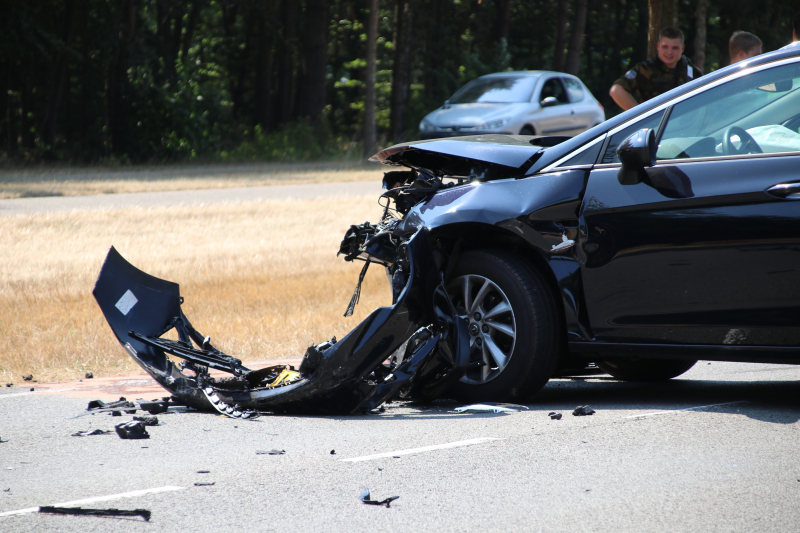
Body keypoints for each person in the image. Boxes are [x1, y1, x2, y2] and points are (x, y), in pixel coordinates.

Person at [609, 27, 702, 111]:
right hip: (659, 127)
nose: (669, 52)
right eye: (665, 47)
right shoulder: (646, 69)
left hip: (687, 125)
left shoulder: (686, 66)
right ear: (658, 46)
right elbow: (616, 91)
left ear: (682, 48)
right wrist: (640, 115)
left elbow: (703, 89)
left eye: (675, 48)